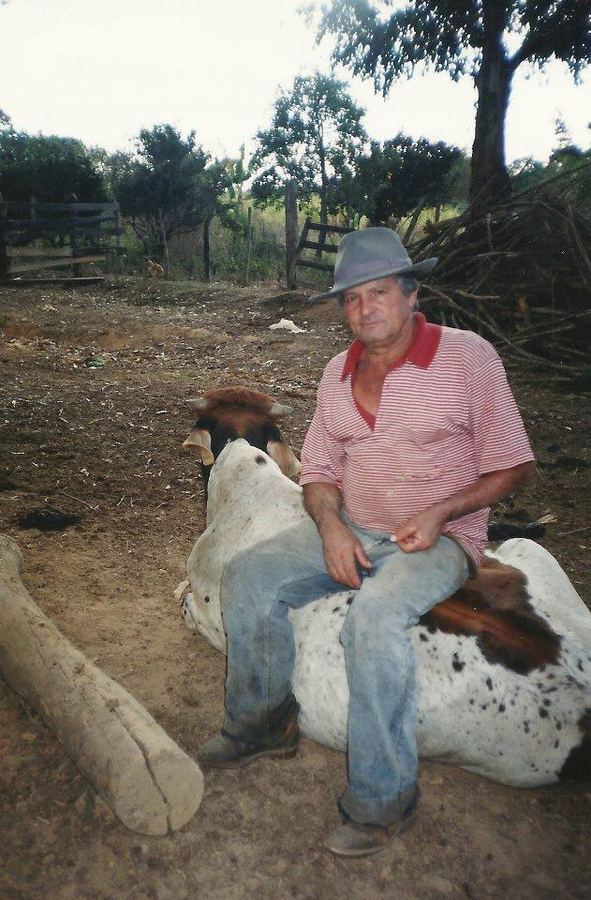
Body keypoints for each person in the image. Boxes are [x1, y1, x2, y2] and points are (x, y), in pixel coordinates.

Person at [198, 227, 535, 858]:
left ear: (411, 294)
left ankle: (383, 799)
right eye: (351, 298)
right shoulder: (336, 373)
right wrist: (330, 527)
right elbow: (320, 472)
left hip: (436, 538)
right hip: (354, 524)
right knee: (248, 575)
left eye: (378, 292)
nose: (364, 308)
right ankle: (263, 723)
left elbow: (514, 464)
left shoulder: (468, 359)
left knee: (374, 618)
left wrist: (442, 512)